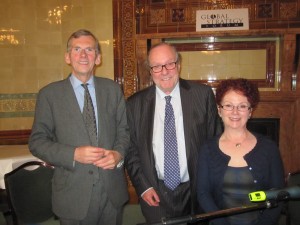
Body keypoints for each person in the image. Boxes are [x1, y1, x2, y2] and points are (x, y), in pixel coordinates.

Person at [29, 29, 130, 225]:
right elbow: (37, 142)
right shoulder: (49, 95)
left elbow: (123, 131)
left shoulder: (112, 90)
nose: (83, 55)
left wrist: (118, 155)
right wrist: (73, 154)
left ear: (98, 58)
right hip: (72, 195)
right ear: (68, 57)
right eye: (77, 49)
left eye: (89, 49)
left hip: (111, 193)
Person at [125, 42, 221, 224]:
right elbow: (131, 150)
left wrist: (210, 186)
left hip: (196, 189)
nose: (164, 71)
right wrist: (143, 187)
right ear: (150, 71)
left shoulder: (202, 95)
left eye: (169, 64)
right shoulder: (134, 104)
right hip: (155, 191)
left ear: (178, 65)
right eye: (157, 66)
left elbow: (215, 142)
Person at [196, 78, 285, 225]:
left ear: (250, 111)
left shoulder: (269, 148)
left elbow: (278, 194)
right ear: (219, 110)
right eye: (229, 105)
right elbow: (203, 194)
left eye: (242, 106)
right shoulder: (207, 149)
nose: (235, 112)